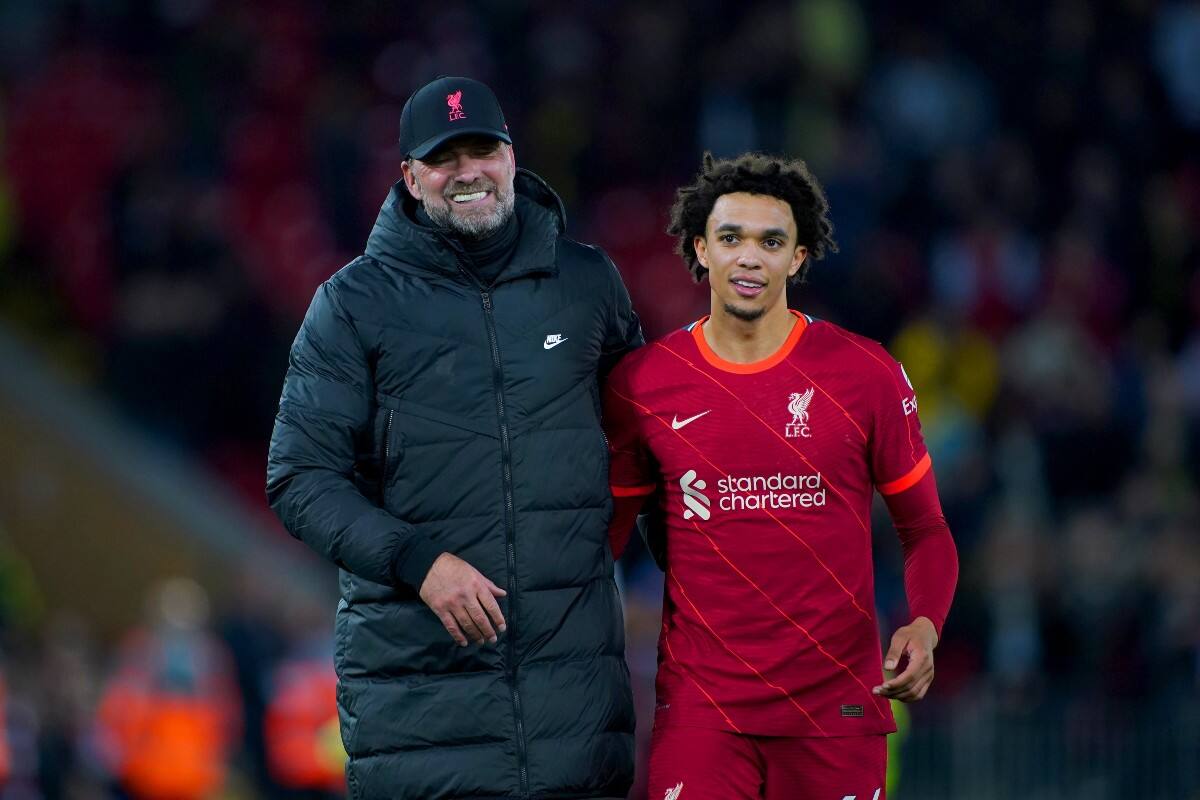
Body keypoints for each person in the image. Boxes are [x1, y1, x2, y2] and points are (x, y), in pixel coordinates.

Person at [267, 76, 641, 799]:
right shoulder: (353, 304)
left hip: (577, 721)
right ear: (409, 177)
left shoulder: (589, 284)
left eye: (481, 150)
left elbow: (652, 451)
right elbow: (299, 477)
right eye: (444, 158)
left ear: (510, 155)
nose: (467, 172)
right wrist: (419, 561)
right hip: (420, 720)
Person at [603, 152, 958, 800]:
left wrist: (924, 625)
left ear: (798, 257)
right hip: (705, 716)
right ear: (699, 249)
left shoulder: (865, 375)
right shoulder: (643, 385)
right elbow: (606, 540)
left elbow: (926, 528)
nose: (750, 257)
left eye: (772, 241)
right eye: (731, 237)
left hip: (834, 716)